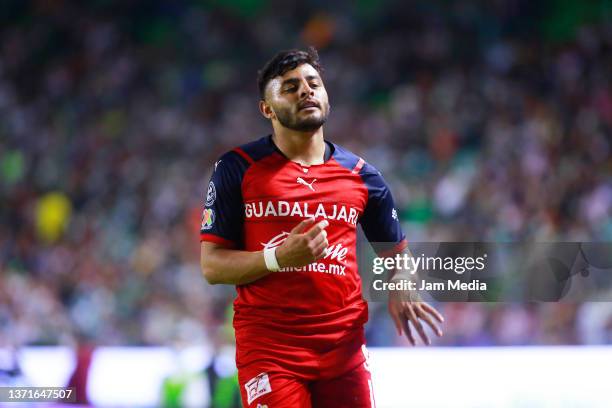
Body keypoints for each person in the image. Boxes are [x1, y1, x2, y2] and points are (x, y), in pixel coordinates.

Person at [200, 47, 443, 407]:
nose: (306, 91)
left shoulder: (363, 176)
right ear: (267, 109)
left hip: (343, 352)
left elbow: (399, 256)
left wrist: (402, 284)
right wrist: (277, 257)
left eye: (314, 83)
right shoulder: (237, 168)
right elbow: (212, 266)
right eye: (290, 87)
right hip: (271, 351)